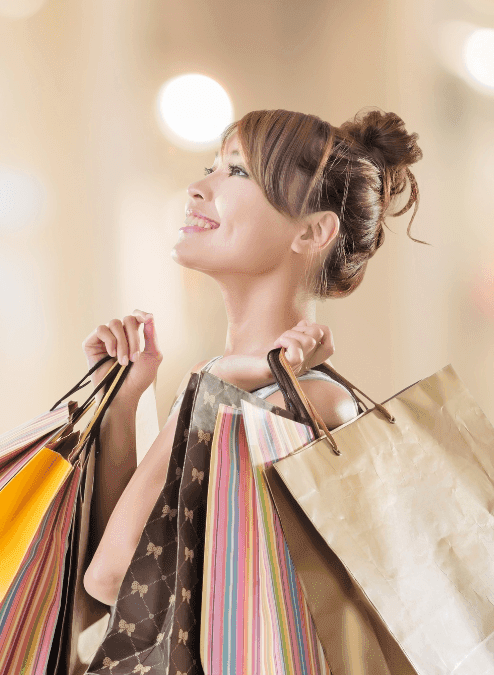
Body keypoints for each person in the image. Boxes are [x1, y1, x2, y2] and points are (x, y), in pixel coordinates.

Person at [80, 107, 425, 606]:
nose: (199, 188)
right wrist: (122, 401)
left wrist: (214, 384)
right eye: (213, 166)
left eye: (238, 171)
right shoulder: (233, 389)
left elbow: (116, 578)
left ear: (310, 232)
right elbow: (107, 609)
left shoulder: (312, 407)